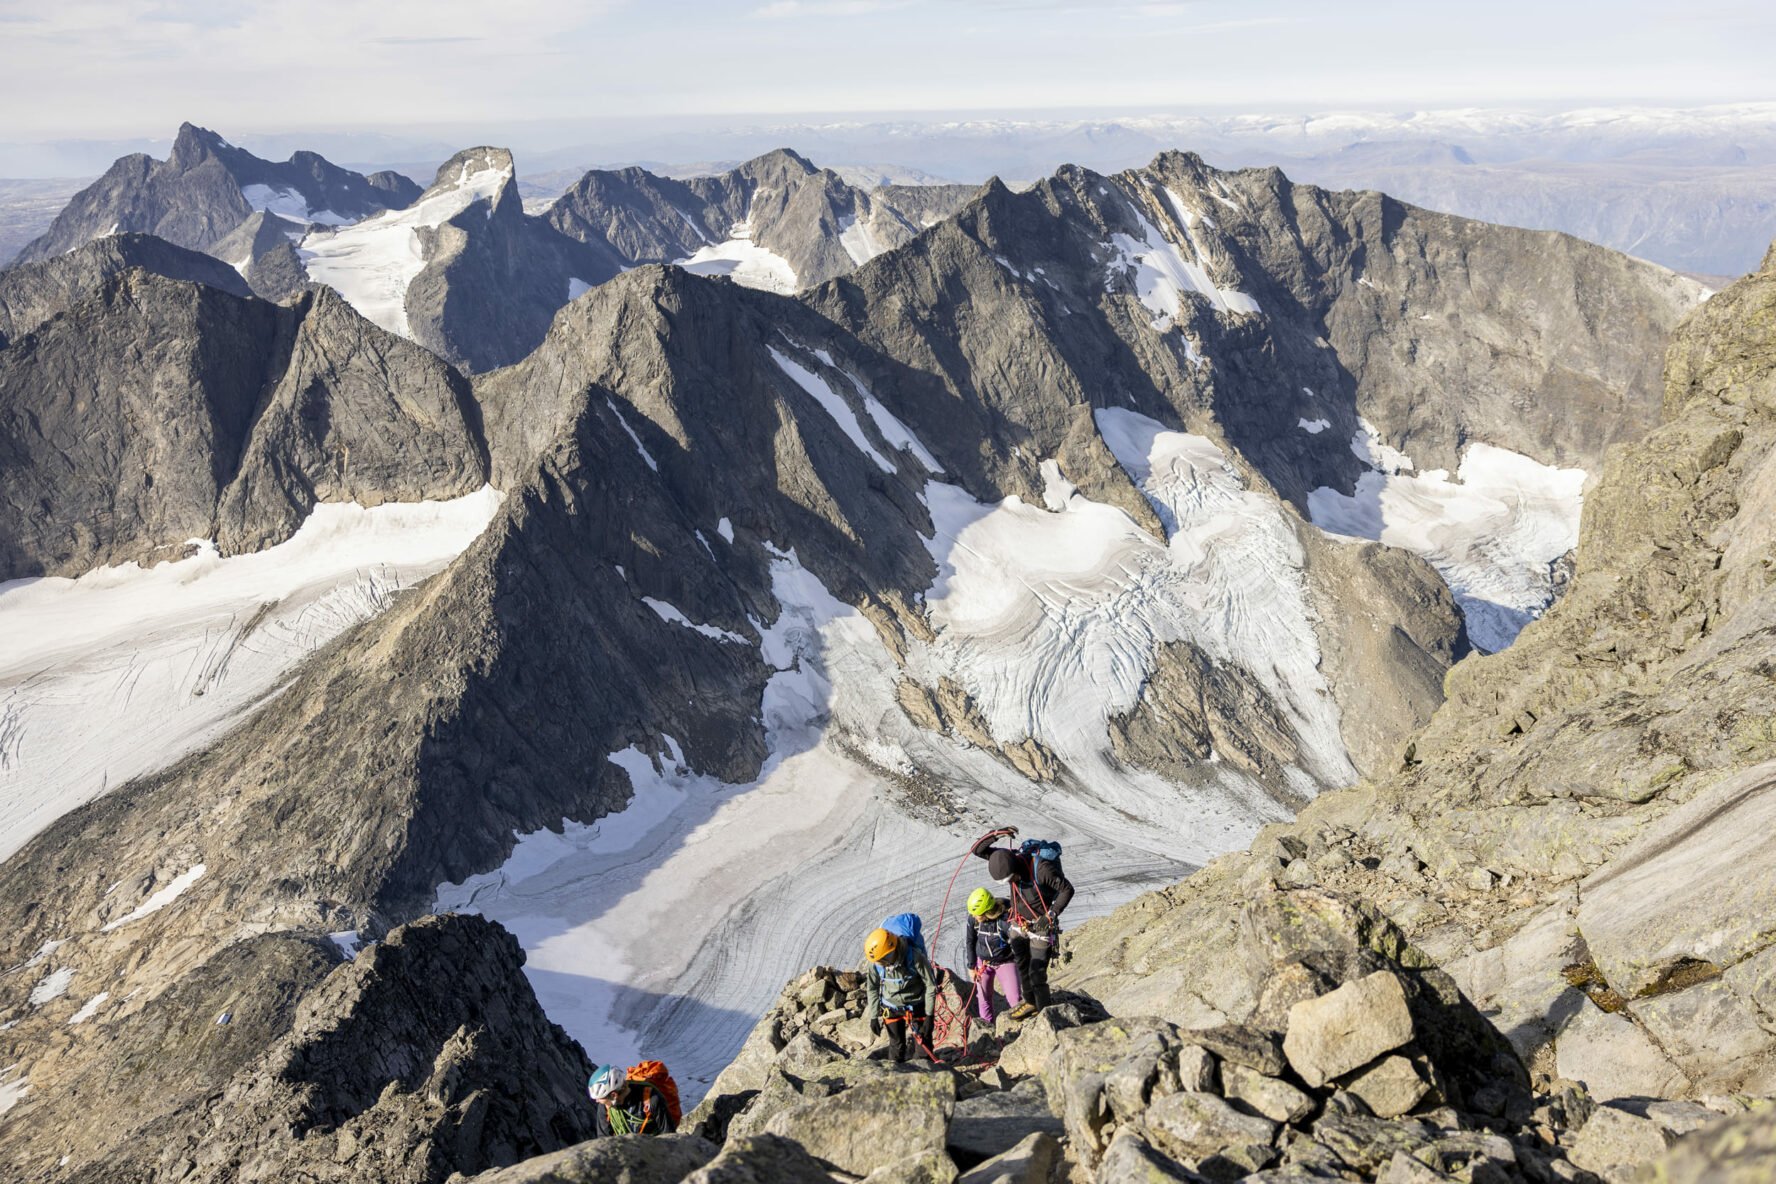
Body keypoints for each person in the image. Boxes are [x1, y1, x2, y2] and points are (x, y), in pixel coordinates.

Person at [970, 827, 1074, 1013]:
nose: (1011, 882)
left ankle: (1044, 1012)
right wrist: (995, 835)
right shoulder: (1009, 859)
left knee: (1037, 974)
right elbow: (977, 850)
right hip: (1019, 922)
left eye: (1011, 878)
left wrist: (1050, 915)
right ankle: (1030, 1002)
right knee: (1023, 965)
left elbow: (1067, 889)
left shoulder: (1042, 869)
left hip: (1041, 925)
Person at [862, 923, 939, 1064]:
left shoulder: (915, 957)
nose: (880, 964)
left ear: (891, 951)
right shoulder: (877, 963)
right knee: (896, 1047)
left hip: (917, 1007)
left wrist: (929, 1015)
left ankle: (925, 1077)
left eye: (882, 960)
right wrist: (873, 1016)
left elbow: (930, 985)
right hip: (891, 1007)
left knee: (923, 1050)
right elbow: (872, 988)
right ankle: (897, 1075)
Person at [963, 887, 1023, 1023]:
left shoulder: (1004, 921)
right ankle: (988, 1027)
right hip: (983, 962)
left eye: (976, 914)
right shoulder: (973, 920)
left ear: (986, 912)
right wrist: (971, 966)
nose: (973, 916)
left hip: (1005, 961)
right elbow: (970, 941)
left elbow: (1018, 943)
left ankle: (1021, 1026)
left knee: (1015, 999)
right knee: (983, 998)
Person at [587, 1063, 678, 1135]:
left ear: (614, 1095)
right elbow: (604, 1140)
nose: (597, 1101)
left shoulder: (652, 1100)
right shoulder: (605, 1108)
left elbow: (668, 1134)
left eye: (600, 1098)